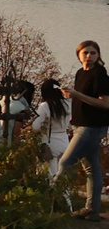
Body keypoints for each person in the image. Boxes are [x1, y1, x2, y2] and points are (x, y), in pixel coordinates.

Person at [59, 40, 109, 216]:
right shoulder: (81, 73)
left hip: (92, 127)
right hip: (80, 124)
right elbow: (81, 98)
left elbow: (105, 104)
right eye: (85, 53)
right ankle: (92, 210)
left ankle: (50, 200)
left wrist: (77, 94)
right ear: (79, 55)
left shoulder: (100, 74)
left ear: (98, 55)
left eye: (93, 53)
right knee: (91, 168)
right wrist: (70, 95)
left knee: (65, 162)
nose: (89, 56)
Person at [41, 75, 71, 166]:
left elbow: (36, 126)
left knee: (50, 170)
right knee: (63, 169)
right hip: (65, 140)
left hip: (50, 141)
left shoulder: (45, 106)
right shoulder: (68, 104)